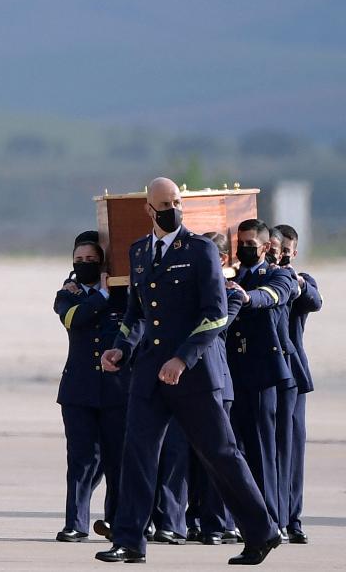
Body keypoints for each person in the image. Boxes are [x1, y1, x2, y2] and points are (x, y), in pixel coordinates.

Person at [96, 177, 280, 565]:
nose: (171, 208)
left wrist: (183, 358)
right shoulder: (140, 252)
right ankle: (129, 540)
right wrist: (119, 347)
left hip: (193, 374)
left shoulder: (199, 251)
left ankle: (262, 532)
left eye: (176, 201)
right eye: (164, 203)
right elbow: (137, 314)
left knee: (220, 453)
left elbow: (215, 313)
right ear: (149, 208)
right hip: (149, 374)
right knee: (138, 453)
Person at [225, 220, 298, 538]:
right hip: (233, 371)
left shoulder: (279, 275)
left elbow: (271, 296)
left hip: (262, 373)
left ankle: (272, 521)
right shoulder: (232, 276)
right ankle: (245, 520)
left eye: (250, 243)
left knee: (262, 449)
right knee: (235, 449)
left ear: (267, 247)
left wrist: (246, 297)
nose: (244, 248)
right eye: (240, 242)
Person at [53, 237, 128, 543]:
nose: (83, 264)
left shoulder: (123, 295)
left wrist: (111, 292)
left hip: (116, 389)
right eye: (78, 259)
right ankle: (76, 522)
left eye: (90, 259)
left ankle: (117, 521)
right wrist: (101, 295)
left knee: (116, 459)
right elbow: (74, 319)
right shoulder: (66, 295)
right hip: (79, 389)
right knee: (81, 459)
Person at [185, 231, 245, 546]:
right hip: (186, 383)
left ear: (221, 260)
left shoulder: (230, 293)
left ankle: (219, 523)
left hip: (217, 383)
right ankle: (194, 520)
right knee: (192, 459)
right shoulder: (193, 291)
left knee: (218, 456)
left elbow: (215, 323)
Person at [273, 224, 321, 544]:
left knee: (293, 447)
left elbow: (315, 301)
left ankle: (293, 517)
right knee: (264, 448)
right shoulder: (262, 279)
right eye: (279, 251)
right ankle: (271, 515)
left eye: (289, 251)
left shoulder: (301, 280)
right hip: (261, 371)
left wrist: (297, 282)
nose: (284, 256)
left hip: (292, 373)